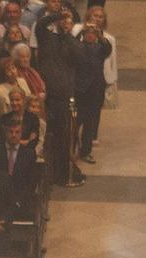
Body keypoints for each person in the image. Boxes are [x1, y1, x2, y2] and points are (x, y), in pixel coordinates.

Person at [35, 6, 85, 185]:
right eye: (63, 20)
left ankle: (63, 175)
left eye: (69, 20)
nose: (65, 22)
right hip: (46, 96)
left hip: (64, 97)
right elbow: (40, 26)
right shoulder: (47, 38)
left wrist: (67, 34)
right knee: (45, 135)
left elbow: (80, 57)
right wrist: (57, 16)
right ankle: (45, 174)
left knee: (64, 138)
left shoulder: (74, 42)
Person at [75, 22, 111, 164]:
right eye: (87, 32)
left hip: (95, 91)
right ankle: (72, 149)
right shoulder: (78, 47)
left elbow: (108, 48)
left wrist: (99, 33)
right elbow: (71, 43)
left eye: (92, 33)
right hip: (80, 90)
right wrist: (80, 31)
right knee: (76, 122)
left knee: (90, 124)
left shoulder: (100, 48)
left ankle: (86, 152)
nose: (90, 35)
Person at [0, 120, 38, 218]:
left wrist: (18, 202)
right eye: (11, 132)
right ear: (6, 133)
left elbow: (32, 183)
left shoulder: (29, 154)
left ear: (21, 134)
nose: (14, 135)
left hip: (21, 201)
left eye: (17, 132)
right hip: (0, 201)